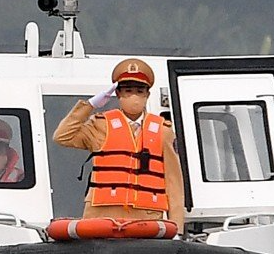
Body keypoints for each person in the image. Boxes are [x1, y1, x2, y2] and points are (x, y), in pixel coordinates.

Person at [53, 57, 184, 231]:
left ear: (147, 94)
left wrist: (176, 228)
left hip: (146, 217)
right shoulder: (101, 125)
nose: (134, 96)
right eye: (128, 91)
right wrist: (89, 105)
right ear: (118, 94)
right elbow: (62, 136)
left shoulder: (163, 131)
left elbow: (174, 183)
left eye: (139, 91)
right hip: (102, 215)